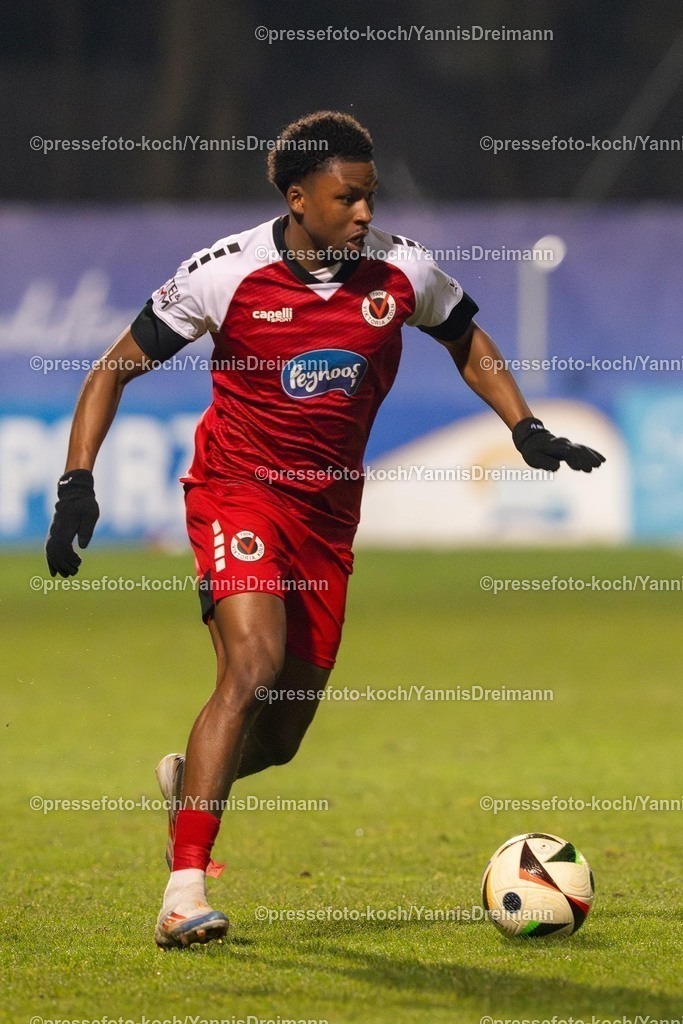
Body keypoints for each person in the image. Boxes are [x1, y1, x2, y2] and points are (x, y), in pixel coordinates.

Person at [45, 110, 605, 950]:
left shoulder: (400, 272)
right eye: (347, 199)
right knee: (252, 663)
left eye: (369, 198)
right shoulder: (225, 274)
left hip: (326, 522)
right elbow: (110, 369)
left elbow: (467, 339)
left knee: (281, 736)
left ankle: (190, 778)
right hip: (237, 493)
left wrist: (522, 425)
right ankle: (183, 891)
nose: (364, 215)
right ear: (298, 198)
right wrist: (75, 483)